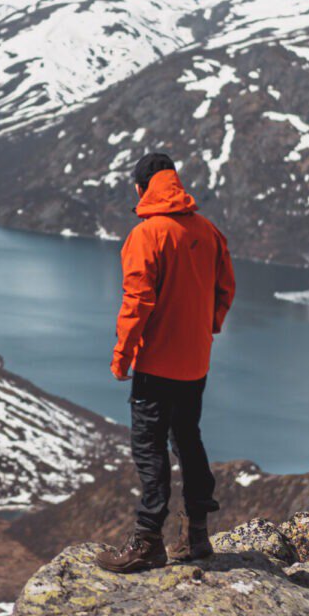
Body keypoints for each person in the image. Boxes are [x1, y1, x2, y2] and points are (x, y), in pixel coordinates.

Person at [96, 152, 236, 573]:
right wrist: (205, 327)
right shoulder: (207, 230)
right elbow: (226, 288)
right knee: (188, 440)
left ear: (141, 189)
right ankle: (196, 535)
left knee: (149, 448)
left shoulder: (147, 235)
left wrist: (122, 357)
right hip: (195, 364)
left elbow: (137, 301)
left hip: (155, 365)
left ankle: (147, 540)